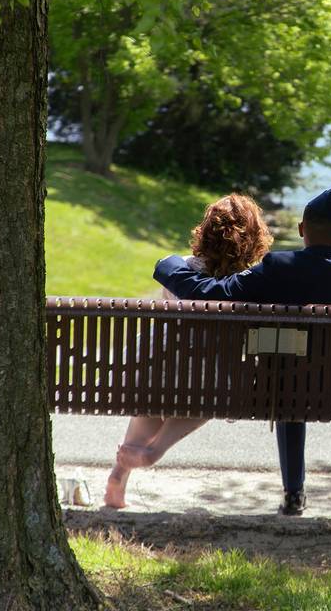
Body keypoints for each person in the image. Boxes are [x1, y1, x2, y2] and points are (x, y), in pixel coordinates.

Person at [154, 185, 331, 515]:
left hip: (285, 390)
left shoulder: (277, 268)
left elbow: (213, 293)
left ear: (302, 230)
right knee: (298, 376)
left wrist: (168, 266)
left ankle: (294, 493)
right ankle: (294, 492)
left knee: (290, 380)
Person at [104, 194, 274, 509]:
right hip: (205, 383)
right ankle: (155, 451)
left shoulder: (179, 269)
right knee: (216, 394)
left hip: (152, 372)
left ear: (205, 232)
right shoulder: (246, 285)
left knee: (155, 398)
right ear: (252, 241)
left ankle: (119, 474)